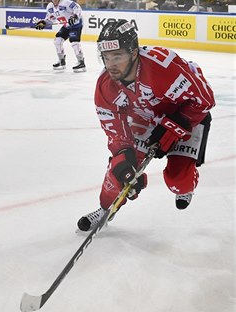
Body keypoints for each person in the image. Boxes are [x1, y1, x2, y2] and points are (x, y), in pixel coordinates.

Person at [77, 20, 214, 232]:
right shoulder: (106, 86)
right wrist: (124, 161)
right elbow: (116, 134)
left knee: (179, 182)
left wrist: (173, 127)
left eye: (118, 56)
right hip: (146, 119)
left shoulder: (163, 69)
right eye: (106, 57)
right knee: (118, 172)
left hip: (186, 116)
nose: (110, 64)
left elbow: (204, 100)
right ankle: (105, 209)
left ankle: (186, 182)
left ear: (133, 53)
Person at [34, 0, 86, 72]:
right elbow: (51, 19)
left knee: (74, 42)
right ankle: (61, 61)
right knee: (57, 41)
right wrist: (43, 23)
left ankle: (81, 62)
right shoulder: (50, 7)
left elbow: (77, 8)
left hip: (76, 24)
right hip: (66, 25)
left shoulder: (66, 2)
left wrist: (75, 16)